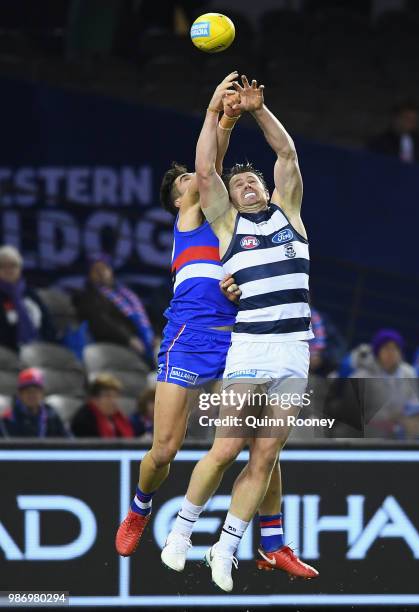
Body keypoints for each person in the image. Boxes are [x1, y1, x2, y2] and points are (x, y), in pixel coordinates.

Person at [116, 74, 306, 583]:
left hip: (242, 337)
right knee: (165, 448)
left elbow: (217, 169)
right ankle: (140, 506)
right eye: (185, 185)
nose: (196, 185)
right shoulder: (194, 218)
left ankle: (272, 540)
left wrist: (231, 118)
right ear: (179, 201)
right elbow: (208, 169)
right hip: (190, 336)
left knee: (257, 442)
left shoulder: (237, 225)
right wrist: (219, 117)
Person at [72, 254, 155, 365]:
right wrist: (128, 338)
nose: (101, 273)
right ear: (89, 274)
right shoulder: (88, 296)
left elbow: (146, 317)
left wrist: (156, 335)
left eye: (105, 268)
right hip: (115, 344)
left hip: (144, 343)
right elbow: (102, 321)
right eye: (96, 270)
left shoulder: (126, 294)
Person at [351, 329, 419, 439]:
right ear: (377, 351)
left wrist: (413, 417)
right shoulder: (360, 376)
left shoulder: (409, 373)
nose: (391, 353)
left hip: (399, 432)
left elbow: (415, 403)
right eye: (386, 348)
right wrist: (388, 419)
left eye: (395, 348)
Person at [0, 245, 55, 352]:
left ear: (20, 269)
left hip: (41, 348)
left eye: (13, 265)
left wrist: (49, 346)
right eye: (3, 266)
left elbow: (48, 325)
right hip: (9, 352)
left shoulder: (31, 294)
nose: (8, 270)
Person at [0, 368, 69, 438]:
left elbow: (68, 441)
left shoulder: (51, 415)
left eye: (35, 391)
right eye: (27, 391)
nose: (31, 395)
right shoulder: (7, 420)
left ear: (42, 393)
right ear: (20, 394)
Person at [71, 373, 134, 438]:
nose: (113, 401)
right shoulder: (83, 421)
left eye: (115, 396)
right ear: (94, 399)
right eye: (108, 396)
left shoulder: (119, 418)